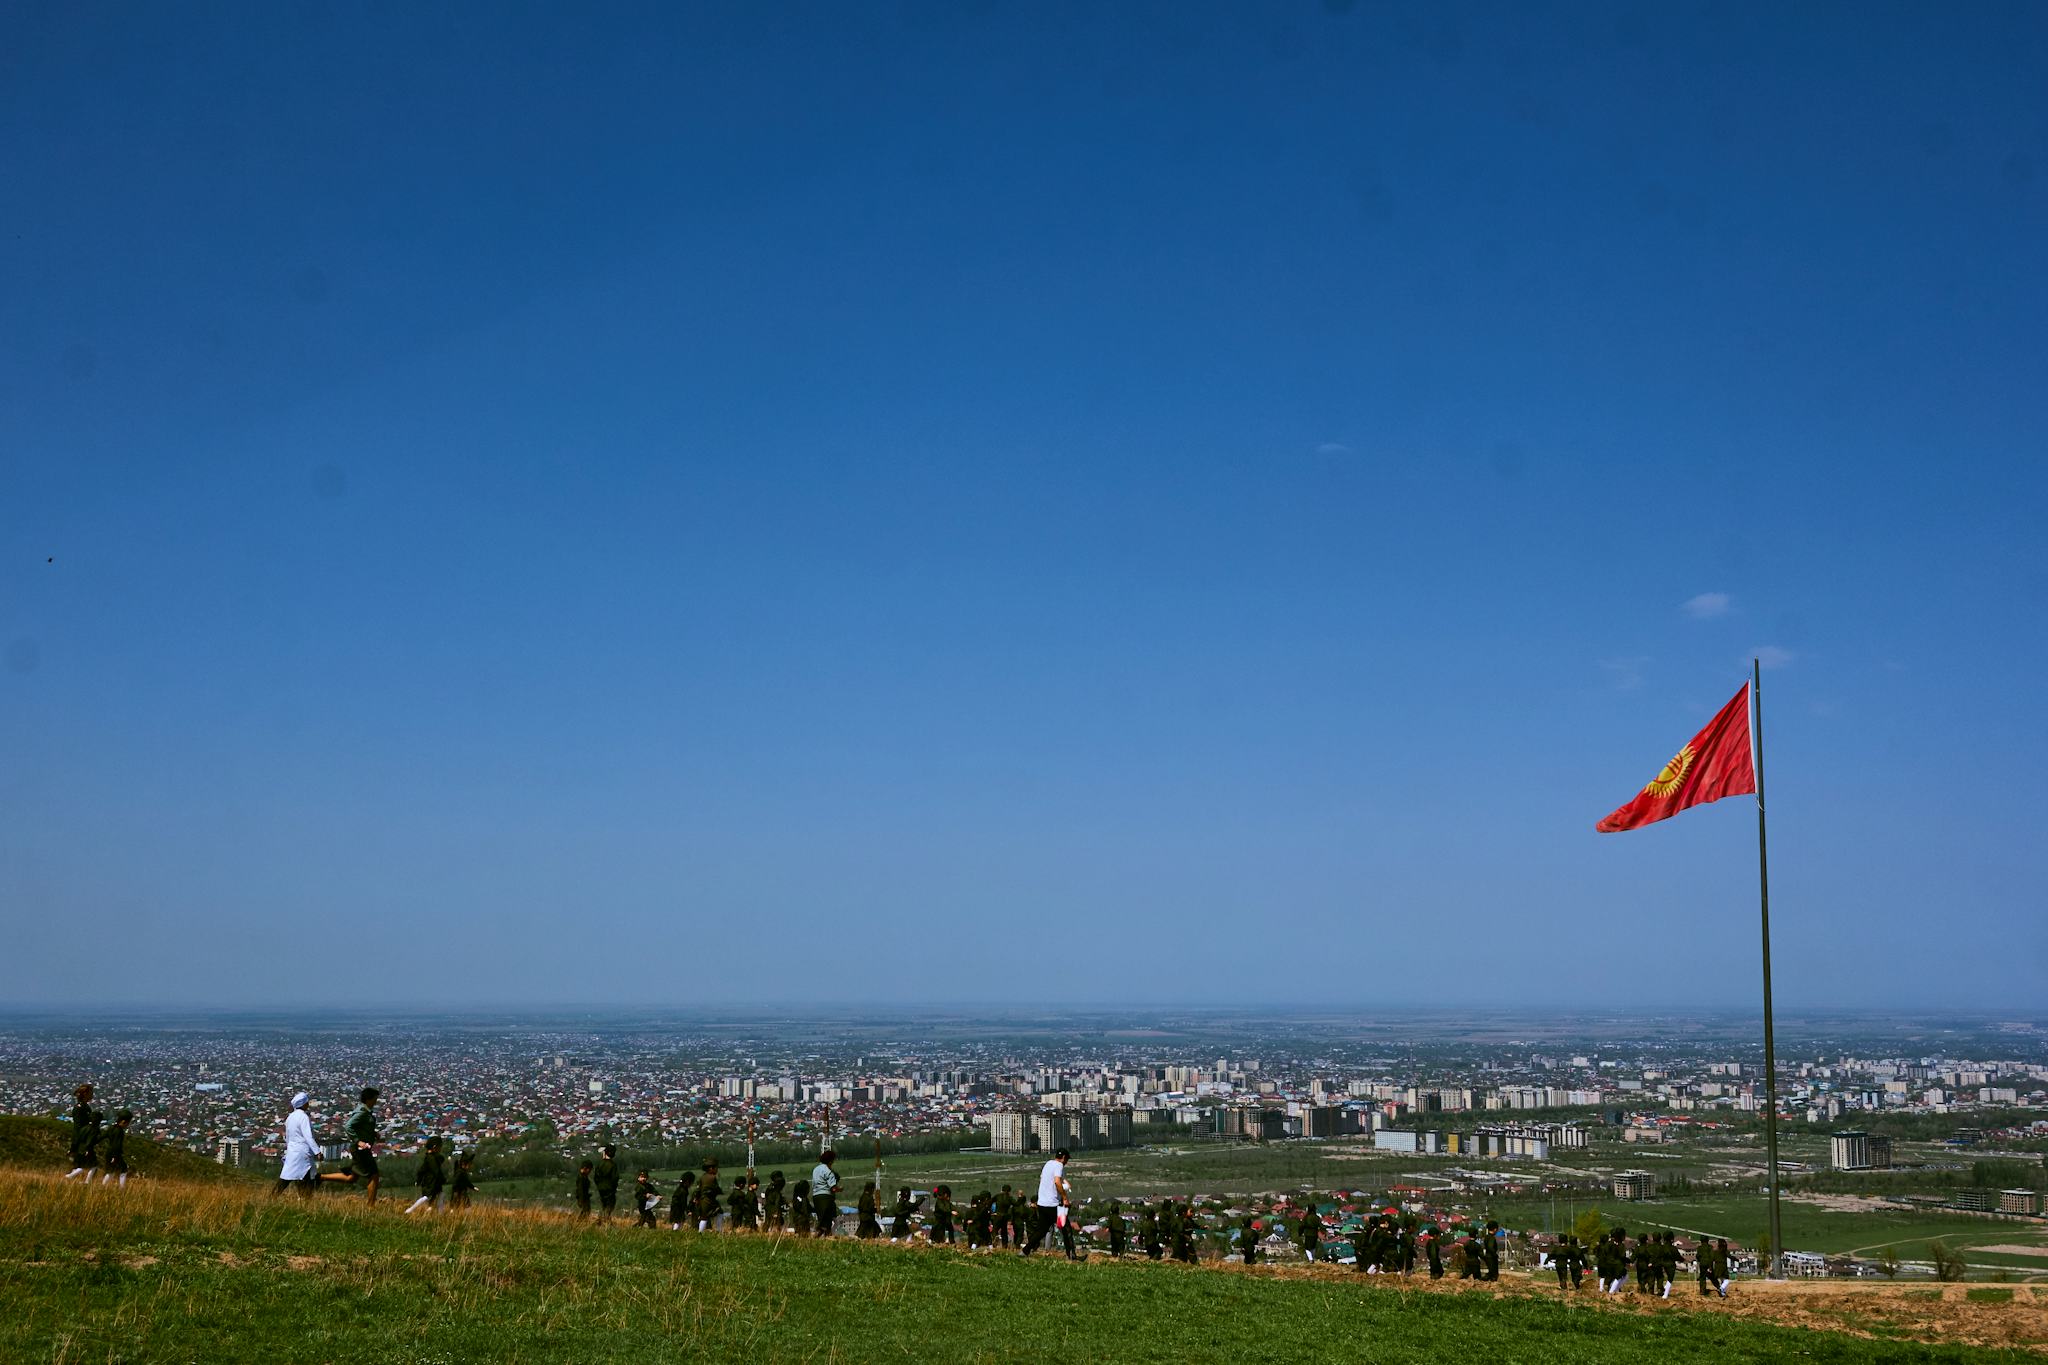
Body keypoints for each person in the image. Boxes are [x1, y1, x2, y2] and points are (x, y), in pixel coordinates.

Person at [275, 1092, 321, 1197]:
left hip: (292, 1152)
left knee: (286, 1177)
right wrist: (317, 1151)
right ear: (304, 1104)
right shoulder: (304, 1117)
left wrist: (288, 1149)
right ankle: (305, 1200)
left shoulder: (290, 1118)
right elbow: (308, 1136)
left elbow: (288, 1137)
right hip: (302, 1152)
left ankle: (273, 1197)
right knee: (306, 1178)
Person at [343, 1087, 382, 1204]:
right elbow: (348, 1126)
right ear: (368, 1099)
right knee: (374, 1175)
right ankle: (370, 1205)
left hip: (361, 1148)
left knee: (352, 1177)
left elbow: (362, 1126)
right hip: (360, 1149)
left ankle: (320, 1178)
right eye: (375, 1099)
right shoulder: (362, 1112)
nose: (376, 1101)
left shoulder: (365, 1110)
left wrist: (373, 1133)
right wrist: (358, 1140)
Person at [63, 1084, 103, 1180]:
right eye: (91, 1093)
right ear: (85, 1094)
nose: (92, 1095)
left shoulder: (85, 1107)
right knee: (88, 1164)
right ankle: (74, 1178)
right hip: (82, 1138)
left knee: (83, 1164)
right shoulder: (80, 1108)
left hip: (83, 1137)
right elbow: (78, 1126)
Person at [405, 1137, 446, 1214]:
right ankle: (410, 1210)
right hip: (431, 1182)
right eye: (439, 1147)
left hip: (432, 1182)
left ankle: (438, 1212)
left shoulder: (429, 1157)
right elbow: (436, 1171)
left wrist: (419, 1180)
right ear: (435, 1147)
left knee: (439, 1195)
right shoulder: (431, 1159)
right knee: (427, 1197)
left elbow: (421, 1170)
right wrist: (443, 1179)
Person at [100, 1109, 134, 1188]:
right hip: (115, 1154)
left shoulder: (111, 1128)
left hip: (109, 1152)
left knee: (111, 1171)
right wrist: (114, 1157)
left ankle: (104, 1186)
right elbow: (116, 1145)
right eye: (127, 1123)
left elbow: (102, 1136)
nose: (127, 1125)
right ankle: (121, 1187)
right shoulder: (119, 1131)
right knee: (123, 1169)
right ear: (123, 1121)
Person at [810, 1151, 840, 1236]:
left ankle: (822, 1233)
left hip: (816, 1196)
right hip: (826, 1196)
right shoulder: (828, 1171)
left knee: (821, 1218)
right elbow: (833, 1188)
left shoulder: (816, 1169)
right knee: (827, 1219)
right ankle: (823, 1233)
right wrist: (839, 1189)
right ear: (831, 1160)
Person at [593, 1145, 620, 1222]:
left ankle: (602, 1219)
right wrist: (614, 1188)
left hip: (601, 1188)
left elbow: (596, 1177)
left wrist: (599, 1185)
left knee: (603, 1204)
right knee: (610, 1205)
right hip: (610, 1189)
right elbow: (615, 1178)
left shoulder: (600, 1164)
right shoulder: (613, 1165)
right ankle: (605, 1219)